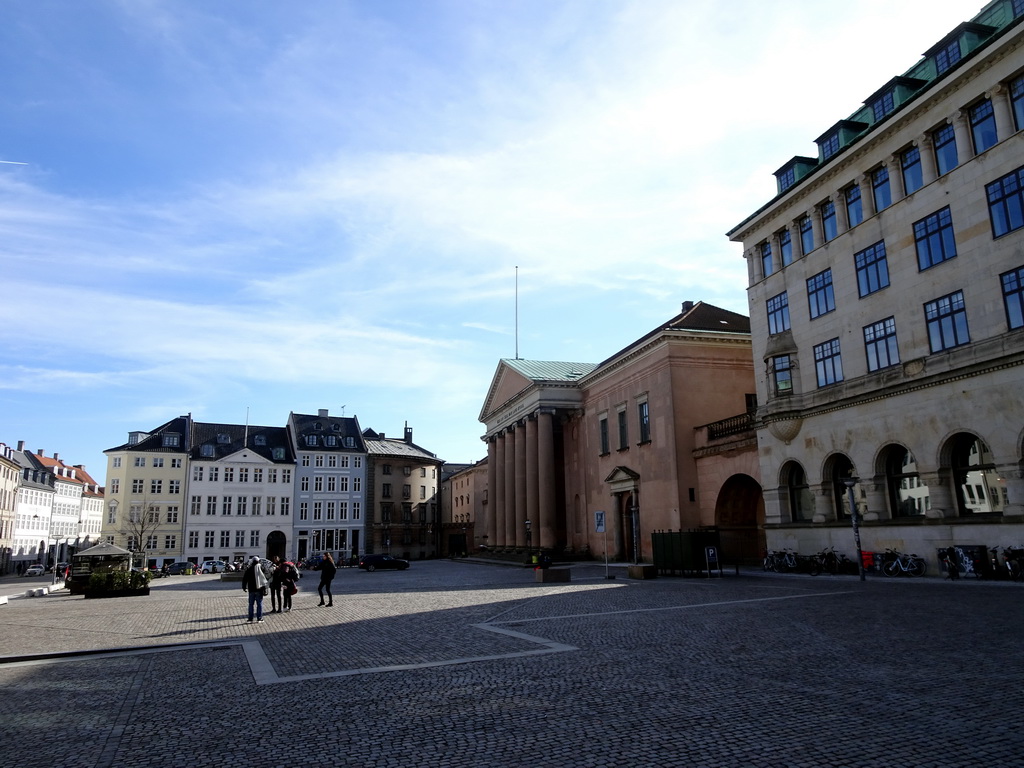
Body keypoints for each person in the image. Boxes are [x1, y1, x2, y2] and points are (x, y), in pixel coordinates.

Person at [242, 556, 269, 623]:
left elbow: (244, 579)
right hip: (259, 589)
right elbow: (265, 578)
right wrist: (265, 588)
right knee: (259, 604)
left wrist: (244, 587)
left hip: (251, 589)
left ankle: (250, 618)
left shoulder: (249, 569)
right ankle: (259, 618)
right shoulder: (261, 568)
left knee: (251, 604)